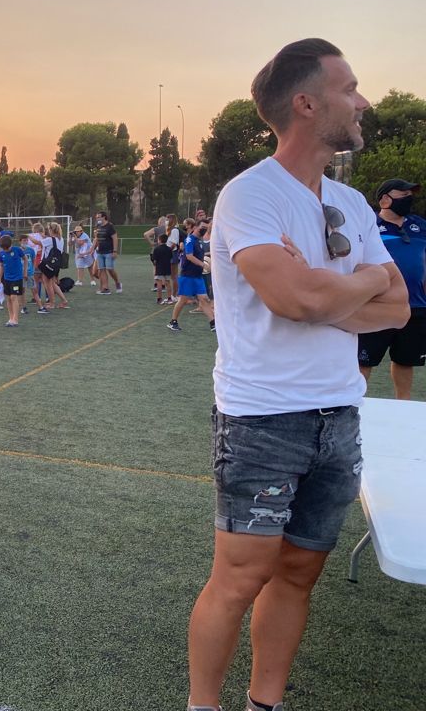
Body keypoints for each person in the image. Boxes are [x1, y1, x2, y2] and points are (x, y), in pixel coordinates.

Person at [186, 39, 408, 711]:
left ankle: (265, 703)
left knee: (299, 572)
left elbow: (397, 307)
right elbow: (297, 299)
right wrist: (352, 284)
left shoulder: (351, 202)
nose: (363, 101)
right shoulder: (249, 195)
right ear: (307, 103)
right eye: (350, 88)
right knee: (240, 577)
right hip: (263, 419)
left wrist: (325, 288)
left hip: (340, 415)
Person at [358, 179, 426, 399]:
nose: (408, 198)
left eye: (410, 195)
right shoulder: (369, 225)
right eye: (403, 194)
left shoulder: (419, 225)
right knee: (363, 361)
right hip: (377, 305)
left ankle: (403, 405)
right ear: (385, 200)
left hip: (416, 306)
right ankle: (354, 403)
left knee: (406, 360)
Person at [167, 218, 215, 331]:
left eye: (206, 228)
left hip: (197, 276)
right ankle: (173, 322)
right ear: (195, 227)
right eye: (202, 227)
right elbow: (189, 256)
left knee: (204, 299)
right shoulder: (190, 240)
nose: (204, 230)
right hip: (188, 276)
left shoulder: (199, 241)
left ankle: (213, 323)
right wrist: (203, 265)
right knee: (183, 300)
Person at [38, 223, 69, 311]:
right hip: (56, 264)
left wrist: (29, 236)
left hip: (48, 264)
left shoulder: (50, 239)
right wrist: (44, 237)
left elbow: (38, 242)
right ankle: (64, 300)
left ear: (51, 230)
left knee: (48, 284)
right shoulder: (60, 239)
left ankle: (52, 303)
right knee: (52, 283)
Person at [0, 234, 26, 326]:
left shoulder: (17, 250)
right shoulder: (1, 254)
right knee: (8, 298)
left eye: (7, 248)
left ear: (11, 244)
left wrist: (25, 272)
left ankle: (15, 319)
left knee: (13, 297)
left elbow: (25, 259)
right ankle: (11, 318)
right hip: (6, 279)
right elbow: (1, 266)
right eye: (4, 249)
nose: (6, 250)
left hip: (17, 278)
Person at [93, 212, 121, 294]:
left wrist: (115, 251)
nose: (97, 219)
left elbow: (115, 238)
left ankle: (117, 282)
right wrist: (93, 249)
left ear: (104, 217)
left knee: (110, 269)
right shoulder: (98, 226)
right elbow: (97, 239)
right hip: (100, 252)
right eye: (97, 217)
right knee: (101, 270)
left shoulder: (110, 226)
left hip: (109, 251)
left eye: (99, 217)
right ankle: (105, 288)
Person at [150, 233, 174, 304]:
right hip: (167, 268)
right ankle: (169, 298)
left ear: (159, 240)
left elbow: (154, 260)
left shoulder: (156, 249)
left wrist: (155, 264)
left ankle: (159, 299)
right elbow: (170, 257)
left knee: (159, 283)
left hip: (159, 268)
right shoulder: (169, 249)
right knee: (168, 283)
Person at [165, 213, 181, 301]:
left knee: (174, 276)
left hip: (172, 253)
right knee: (172, 276)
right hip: (171, 253)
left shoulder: (174, 230)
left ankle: (175, 295)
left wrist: (167, 252)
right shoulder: (170, 230)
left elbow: (174, 243)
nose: (166, 221)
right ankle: (174, 294)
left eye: (167, 219)